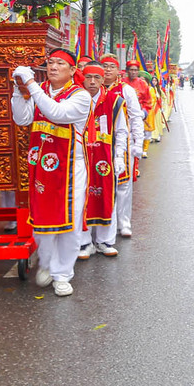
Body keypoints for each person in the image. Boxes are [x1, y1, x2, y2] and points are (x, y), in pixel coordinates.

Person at [11, 49, 91, 297]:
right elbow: (23, 119)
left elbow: (57, 113)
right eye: (50, 63)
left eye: (60, 63)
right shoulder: (40, 89)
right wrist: (18, 90)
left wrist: (32, 85)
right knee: (42, 217)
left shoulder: (81, 96)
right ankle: (47, 263)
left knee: (69, 221)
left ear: (72, 70)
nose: (53, 67)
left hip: (70, 167)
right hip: (43, 165)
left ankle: (63, 274)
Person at [78, 61, 122, 258]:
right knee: (82, 197)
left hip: (105, 157)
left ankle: (104, 240)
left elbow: (121, 132)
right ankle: (84, 242)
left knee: (106, 196)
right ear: (82, 78)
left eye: (97, 77)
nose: (92, 81)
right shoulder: (74, 99)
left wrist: (120, 156)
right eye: (88, 77)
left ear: (104, 79)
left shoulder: (114, 101)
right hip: (80, 156)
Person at [100, 54, 144, 239]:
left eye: (111, 66)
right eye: (105, 66)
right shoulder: (93, 88)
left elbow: (136, 117)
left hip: (123, 143)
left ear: (118, 71)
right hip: (100, 143)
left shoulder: (126, 90)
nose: (108, 70)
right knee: (101, 184)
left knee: (123, 184)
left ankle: (123, 222)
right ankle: (103, 223)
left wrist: (138, 143)